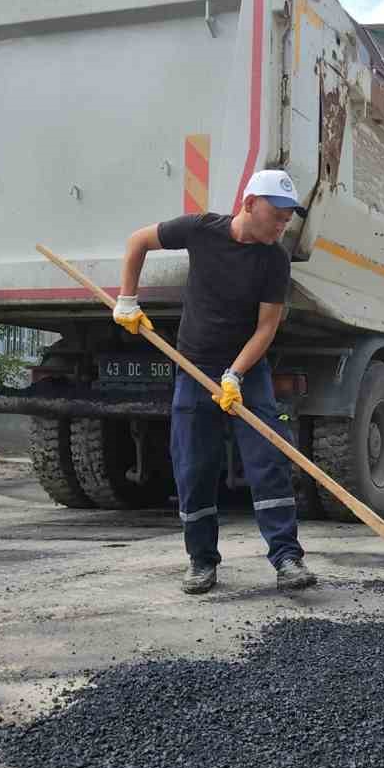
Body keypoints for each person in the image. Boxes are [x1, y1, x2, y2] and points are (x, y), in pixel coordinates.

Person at [114, 168, 317, 595]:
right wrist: (127, 300)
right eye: (277, 215)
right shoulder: (202, 230)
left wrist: (235, 374)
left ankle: (287, 557)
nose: (284, 224)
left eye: (288, 217)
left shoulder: (274, 260)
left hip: (246, 370)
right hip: (192, 368)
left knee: (267, 458)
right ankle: (201, 561)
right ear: (248, 205)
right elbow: (138, 241)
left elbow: (266, 328)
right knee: (193, 465)